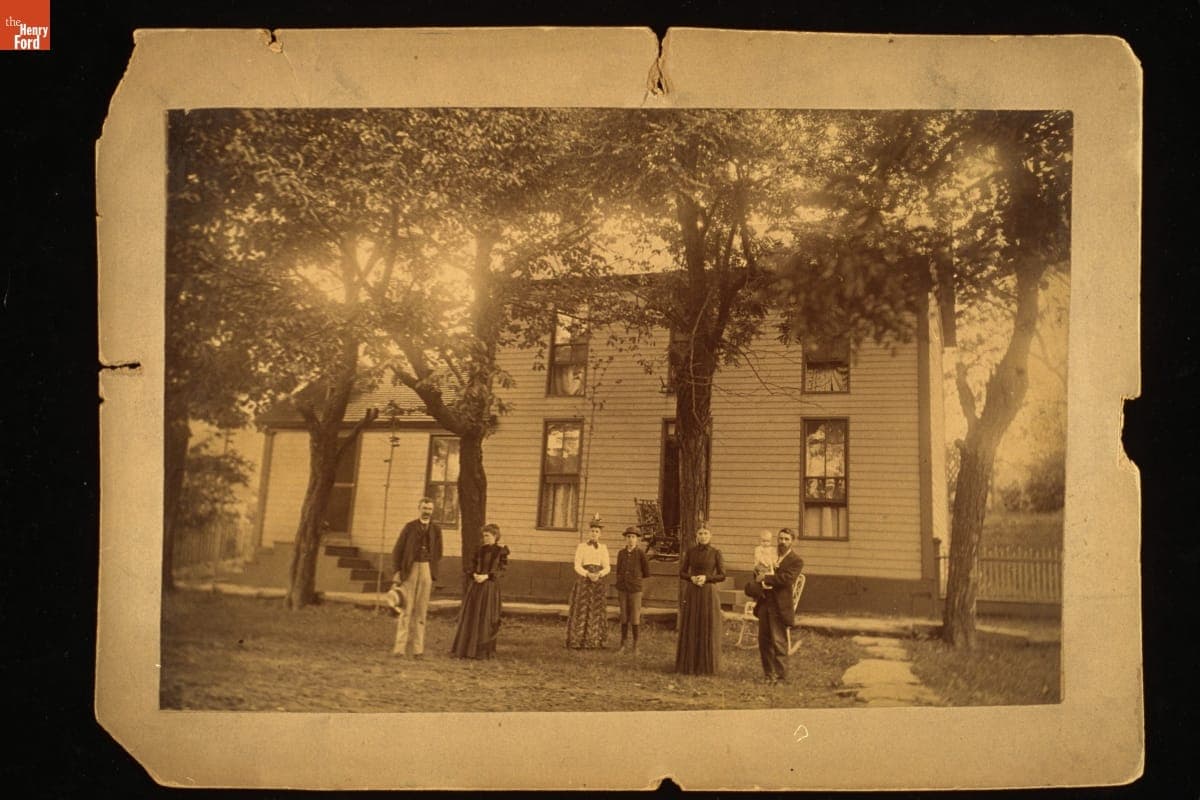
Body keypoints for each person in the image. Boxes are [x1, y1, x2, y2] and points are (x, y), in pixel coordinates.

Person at [747, 528, 804, 684]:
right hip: (765, 603)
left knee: (779, 641)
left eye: (786, 539)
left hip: (780, 606)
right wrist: (759, 583)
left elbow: (787, 579)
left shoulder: (796, 560)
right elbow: (757, 575)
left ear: (793, 541)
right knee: (764, 641)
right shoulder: (769, 554)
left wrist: (766, 577)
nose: (783, 542)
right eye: (780, 539)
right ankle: (768, 675)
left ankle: (781, 677)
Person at [390, 497, 444, 659]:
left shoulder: (436, 530)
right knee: (406, 609)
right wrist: (398, 571)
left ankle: (418, 650)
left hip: (426, 568)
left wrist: (431, 568)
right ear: (418, 509)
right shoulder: (410, 527)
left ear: (432, 511)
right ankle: (399, 649)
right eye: (424, 508)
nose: (426, 512)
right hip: (410, 568)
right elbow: (397, 550)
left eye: (429, 509)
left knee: (421, 611)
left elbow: (438, 552)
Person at [450, 523, 510, 659]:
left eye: (488, 536)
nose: (485, 539)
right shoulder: (479, 550)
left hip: (489, 587)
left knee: (485, 617)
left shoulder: (501, 552)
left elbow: (502, 570)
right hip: (476, 587)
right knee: (472, 616)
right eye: (484, 536)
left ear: (495, 536)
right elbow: (471, 566)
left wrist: (487, 576)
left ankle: (482, 651)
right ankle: (467, 649)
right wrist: (474, 575)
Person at [674, 526, 726, 674]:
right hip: (693, 591)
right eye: (700, 533)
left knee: (706, 625)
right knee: (692, 624)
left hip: (708, 593)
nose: (703, 536)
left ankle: (706, 666)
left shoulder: (716, 553)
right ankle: (689, 664)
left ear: (711, 535)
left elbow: (722, 575)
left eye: (706, 533)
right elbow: (682, 572)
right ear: (696, 535)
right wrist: (691, 578)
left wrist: (707, 578)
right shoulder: (691, 552)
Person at [565, 517, 611, 649]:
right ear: (589, 532)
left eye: (596, 531)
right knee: (582, 609)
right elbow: (577, 565)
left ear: (600, 534)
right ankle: (577, 640)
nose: (594, 533)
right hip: (584, 581)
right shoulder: (582, 547)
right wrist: (587, 574)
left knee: (596, 610)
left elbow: (607, 567)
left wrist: (599, 574)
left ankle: (594, 641)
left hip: (597, 581)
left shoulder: (603, 548)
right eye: (592, 531)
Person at [614, 525, 652, 654]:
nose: (630, 539)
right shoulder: (621, 553)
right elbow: (618, 570)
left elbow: (646, 572)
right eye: (628, 537)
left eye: (633, 537)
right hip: (623, 588)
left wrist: (636, 579)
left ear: (637, 539)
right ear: (625, 538)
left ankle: (636, 645)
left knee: (635, 617)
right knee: (624, 616)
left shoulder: (641, 554)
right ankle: (623, 643)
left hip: (635, 589)